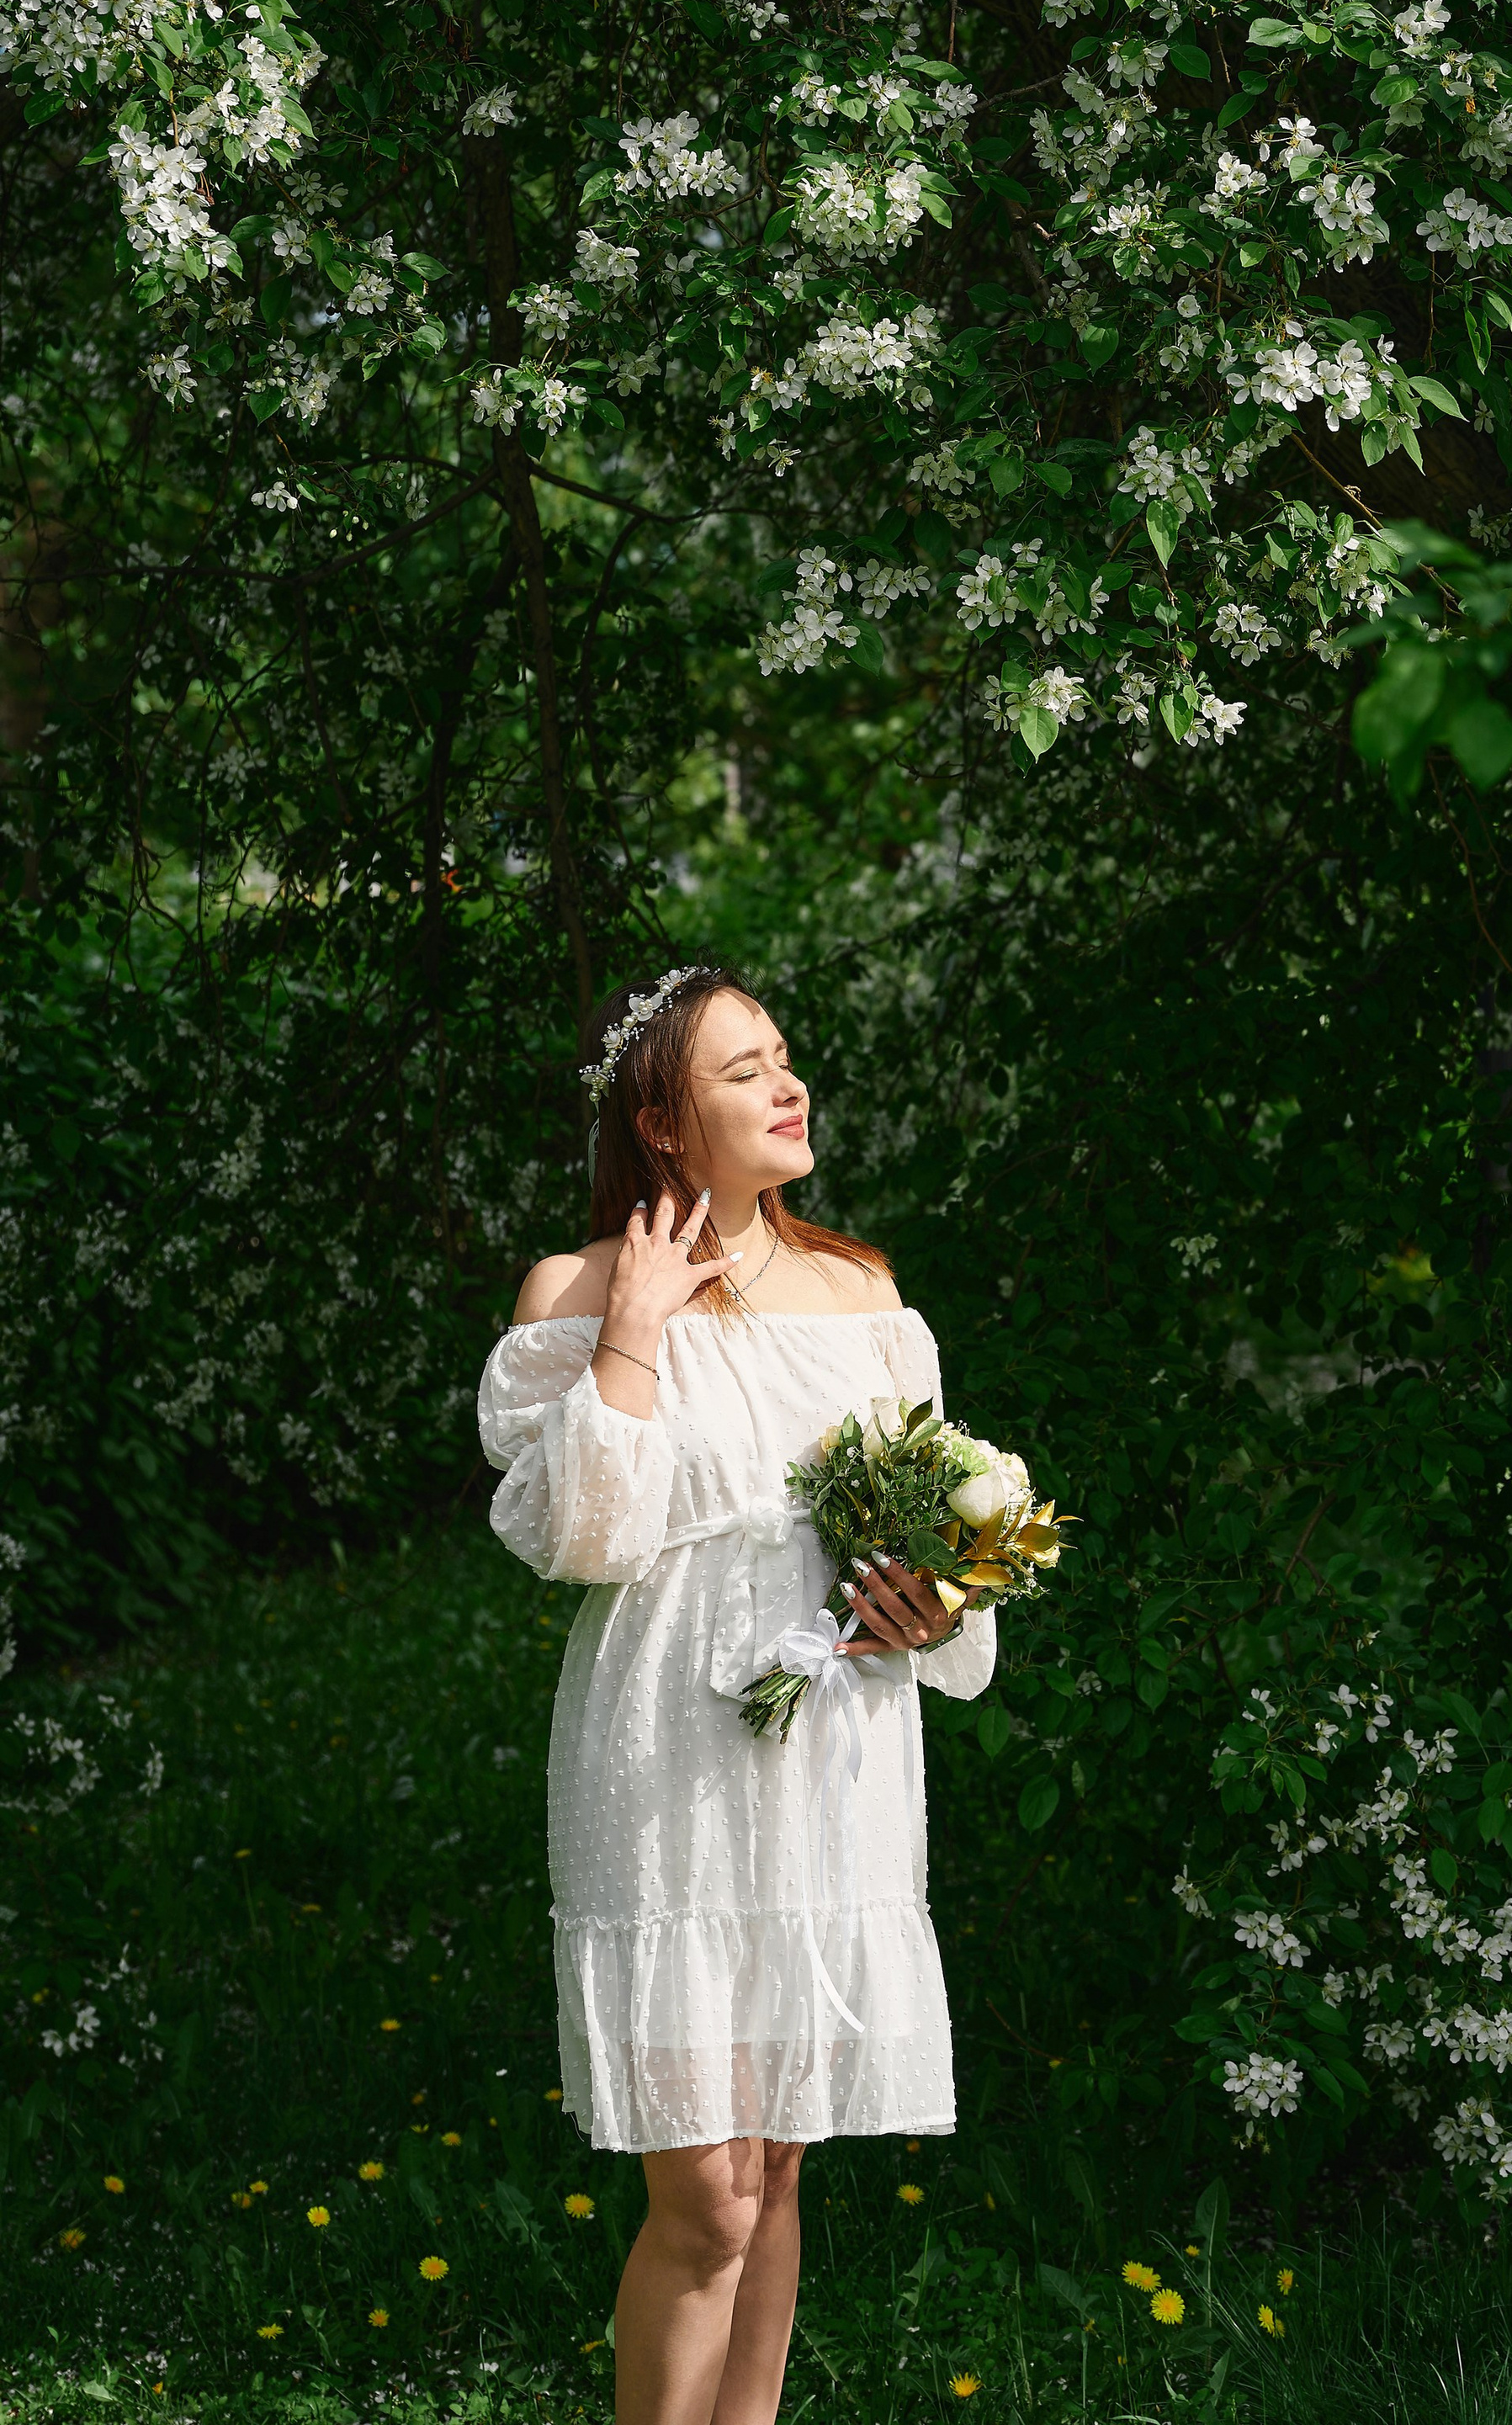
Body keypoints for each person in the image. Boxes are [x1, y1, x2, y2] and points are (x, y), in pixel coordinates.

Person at [477, 963, 996, 2425]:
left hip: (832, 1741)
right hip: (666, 1760)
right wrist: (636, 1330)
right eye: (742, 1070)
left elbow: (938, 1523)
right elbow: (583, 1542)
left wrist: (933, 1603)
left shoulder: (866, 1295)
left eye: (786, 1057)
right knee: (703, 2195)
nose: (790, 1085)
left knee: (773, 2171)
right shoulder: (575, 1294)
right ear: (659, 1122)